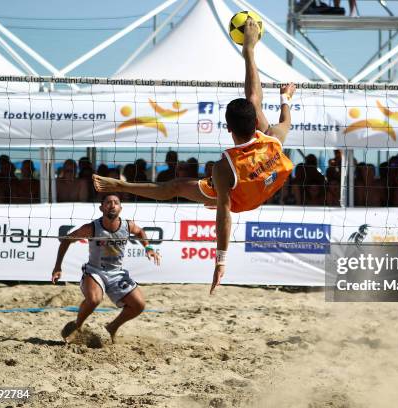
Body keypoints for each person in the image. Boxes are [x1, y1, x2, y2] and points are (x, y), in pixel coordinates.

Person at [93, 18, 296, 294]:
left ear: (227, 128)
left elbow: (224, 216)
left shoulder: (224, 167)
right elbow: (284, 119)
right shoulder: (273, 138)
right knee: (254, 104)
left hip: (241, 195)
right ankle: (249, 50)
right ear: (255, 125)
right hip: (266, 184)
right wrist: (285, 97)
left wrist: (221, 260)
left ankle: (121, 186)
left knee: (174, 187)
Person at [51, 194, 160, 343]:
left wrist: (148, 247)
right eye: (108, 202)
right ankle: (77, 325)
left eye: (116, 202)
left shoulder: (127, 225)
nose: (112, 205)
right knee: (94, 299)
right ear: (101, 208)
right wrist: (57, 267)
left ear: (120, 208)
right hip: (95, 271)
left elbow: (140, 232)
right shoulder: (91, 228)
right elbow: (66, 241)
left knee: (139, 305)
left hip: (116, 273)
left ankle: (112, 328)